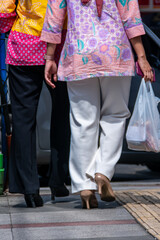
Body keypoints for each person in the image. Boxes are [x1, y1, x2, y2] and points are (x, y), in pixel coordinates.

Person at [41, 0, 154, 209]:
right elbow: (131, 18)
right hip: (115, 53)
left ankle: (84, 187)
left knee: (83, 122)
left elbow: (53, 19)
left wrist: (49, 57)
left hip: (77, 54)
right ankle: (102, 171)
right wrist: (142, 57)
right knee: (116, 115)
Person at [0, 0, 70, 207]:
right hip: (60, 46)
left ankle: (29, 189)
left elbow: (4, 12)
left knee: (23, 119)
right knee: (62, 114)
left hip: (24, 44)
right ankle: (58, 180)